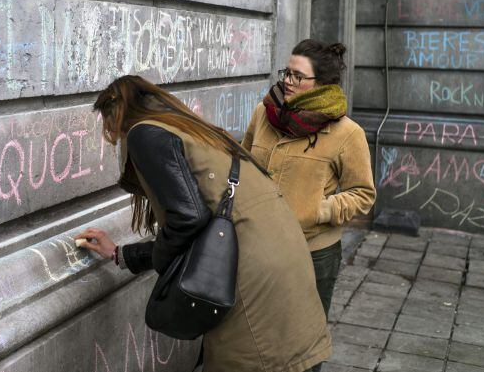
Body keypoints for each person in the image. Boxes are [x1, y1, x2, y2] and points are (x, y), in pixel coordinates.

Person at [76, 75, 331, 372]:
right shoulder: (193, 129)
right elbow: (198, 224)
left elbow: (188, 219)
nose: (114, 139)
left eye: (111, 131)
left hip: (251, 278)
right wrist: (121, 254)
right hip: (284, 264)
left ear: (116, 116)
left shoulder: (143, 133)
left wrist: (157, 267)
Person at [242, 39, 376, 329]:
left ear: (322, 84)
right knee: (255, 336)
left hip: (313, 253)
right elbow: (243, 165)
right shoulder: (263, 114)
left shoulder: (347, 133)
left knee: (303, 341)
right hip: (256, 244)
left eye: (297, 76)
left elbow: (363, 194)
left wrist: (319, 210)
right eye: (286, 73)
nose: (287, 81)